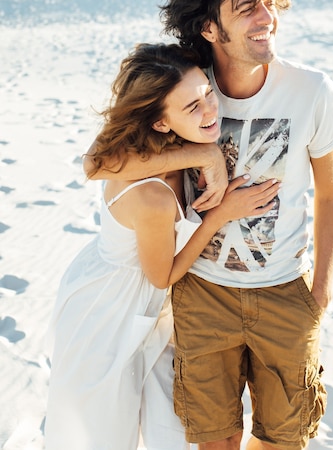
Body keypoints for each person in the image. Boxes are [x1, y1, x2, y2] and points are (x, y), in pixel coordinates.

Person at [84, 0, 333, 450]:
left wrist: (320, 291)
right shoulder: (188, 86)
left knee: (284, 437)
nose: (266, 17)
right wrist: (202, 154)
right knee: (215, 440)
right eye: (247, 8)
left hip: (284, 291)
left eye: (270, 2)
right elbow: (100, 162)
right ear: (210, 28)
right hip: (204, 294)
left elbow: (331, 196)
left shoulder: (312, 91)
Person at [45, 42, 279, 450]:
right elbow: (162, 275)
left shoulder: (161, 148)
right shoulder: (151, 195)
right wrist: (220, 214)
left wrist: (204, 153)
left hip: (151, 309)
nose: (210, 111)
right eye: (192, 108)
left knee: (168, 435)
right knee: (99, 436)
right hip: (108, 314)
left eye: (207, 93)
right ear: (159, 123)